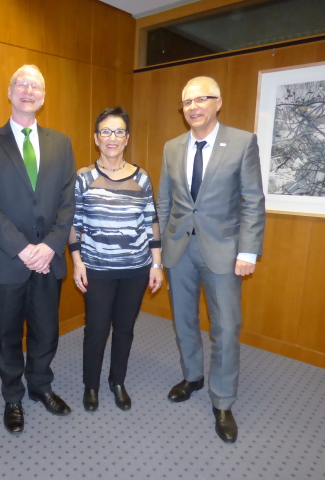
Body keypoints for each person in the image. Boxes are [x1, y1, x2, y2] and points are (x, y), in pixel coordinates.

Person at [157, 76, 265, 443]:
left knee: (226, 328)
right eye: (187, 102)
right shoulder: (172, 147)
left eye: (202, 99)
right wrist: (160, 250)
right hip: (178, 250)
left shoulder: (241, 141)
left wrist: (248, 250)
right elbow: (164, 201)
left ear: (218, 102)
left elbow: (253, 200)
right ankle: (193, 377)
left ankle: (222, 400)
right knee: (184, 321)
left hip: (224, 251)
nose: (194, 107)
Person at [0, 65, 76, 435]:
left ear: (43, 97)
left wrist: (49, 246)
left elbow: (68, 201)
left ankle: (41, 386)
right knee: (8, 334)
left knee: (46, 329)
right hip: (7, 260)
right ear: (10, 91)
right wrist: (24, 249)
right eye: (22, 84)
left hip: (49, 259)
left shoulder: (61, 144)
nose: (29, 91)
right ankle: (13, 396)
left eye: (37, 86)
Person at [68, 107, 163, 413]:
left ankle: (117, 381)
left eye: (119, 131)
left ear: (127, 138)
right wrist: (77, 261)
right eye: (106, 132)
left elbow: (152, 221)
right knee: (96, 328)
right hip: (97, 268)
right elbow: (74, 224)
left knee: (125, 328)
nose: (112, 138)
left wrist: (156, 263)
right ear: (96, 138)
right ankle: (91, 385)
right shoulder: (83, 177)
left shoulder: (142, 177)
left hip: (135, 268)